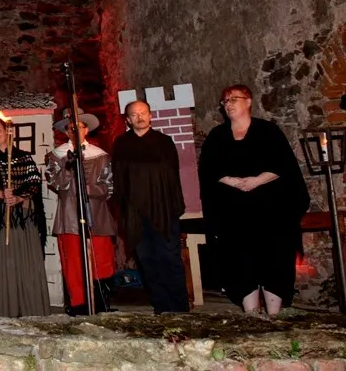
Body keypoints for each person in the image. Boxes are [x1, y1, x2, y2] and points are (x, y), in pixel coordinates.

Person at [198, 85, 310, 315]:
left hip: (270, 211)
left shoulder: (268, 131)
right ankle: (251, 317)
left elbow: (284, 165)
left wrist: (256, 181)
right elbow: (208, 169)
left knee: (273, 259)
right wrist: (234, 181)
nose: (228, 104)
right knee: (240, 261)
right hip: (234, 213)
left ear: (248, 101)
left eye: (233, 99)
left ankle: (274, 316)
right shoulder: (217, 136)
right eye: (225, 101)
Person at [112, 100, 189, 314]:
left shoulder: (164, 142)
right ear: (128, 120)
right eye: (134, 114)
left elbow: (173, 176)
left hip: (163, 211)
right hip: (136, 214)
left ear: (150, 115)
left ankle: (180, 309)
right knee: (148, 261)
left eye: (143, 113)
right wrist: (123, 212)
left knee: (170, 259)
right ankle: (161, 307)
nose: (139, 117)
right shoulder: (122, 144)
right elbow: (119, 180)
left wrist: (175, 207)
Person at [0, 118, 50, 317]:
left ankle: (29, 310)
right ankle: (0, 310)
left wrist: (18, 197)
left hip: (21, 220)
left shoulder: (24, 158)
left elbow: (34, 183)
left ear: (8, 133)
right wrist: (1, 194)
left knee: (24, 265)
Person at [44, 108, 116, 316]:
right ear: (67, 132)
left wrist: (91, 189)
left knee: (101, 260)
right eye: (71, 128)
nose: (75, 131)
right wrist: (68, 168)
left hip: (97, 215)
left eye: (79, 127)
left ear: (86, 130)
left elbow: (109, 187)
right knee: (74, 263)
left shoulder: (101, 155)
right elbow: (55, 183)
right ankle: (78, 305)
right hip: (70, 217)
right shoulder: (56, 156)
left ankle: (101, 303)